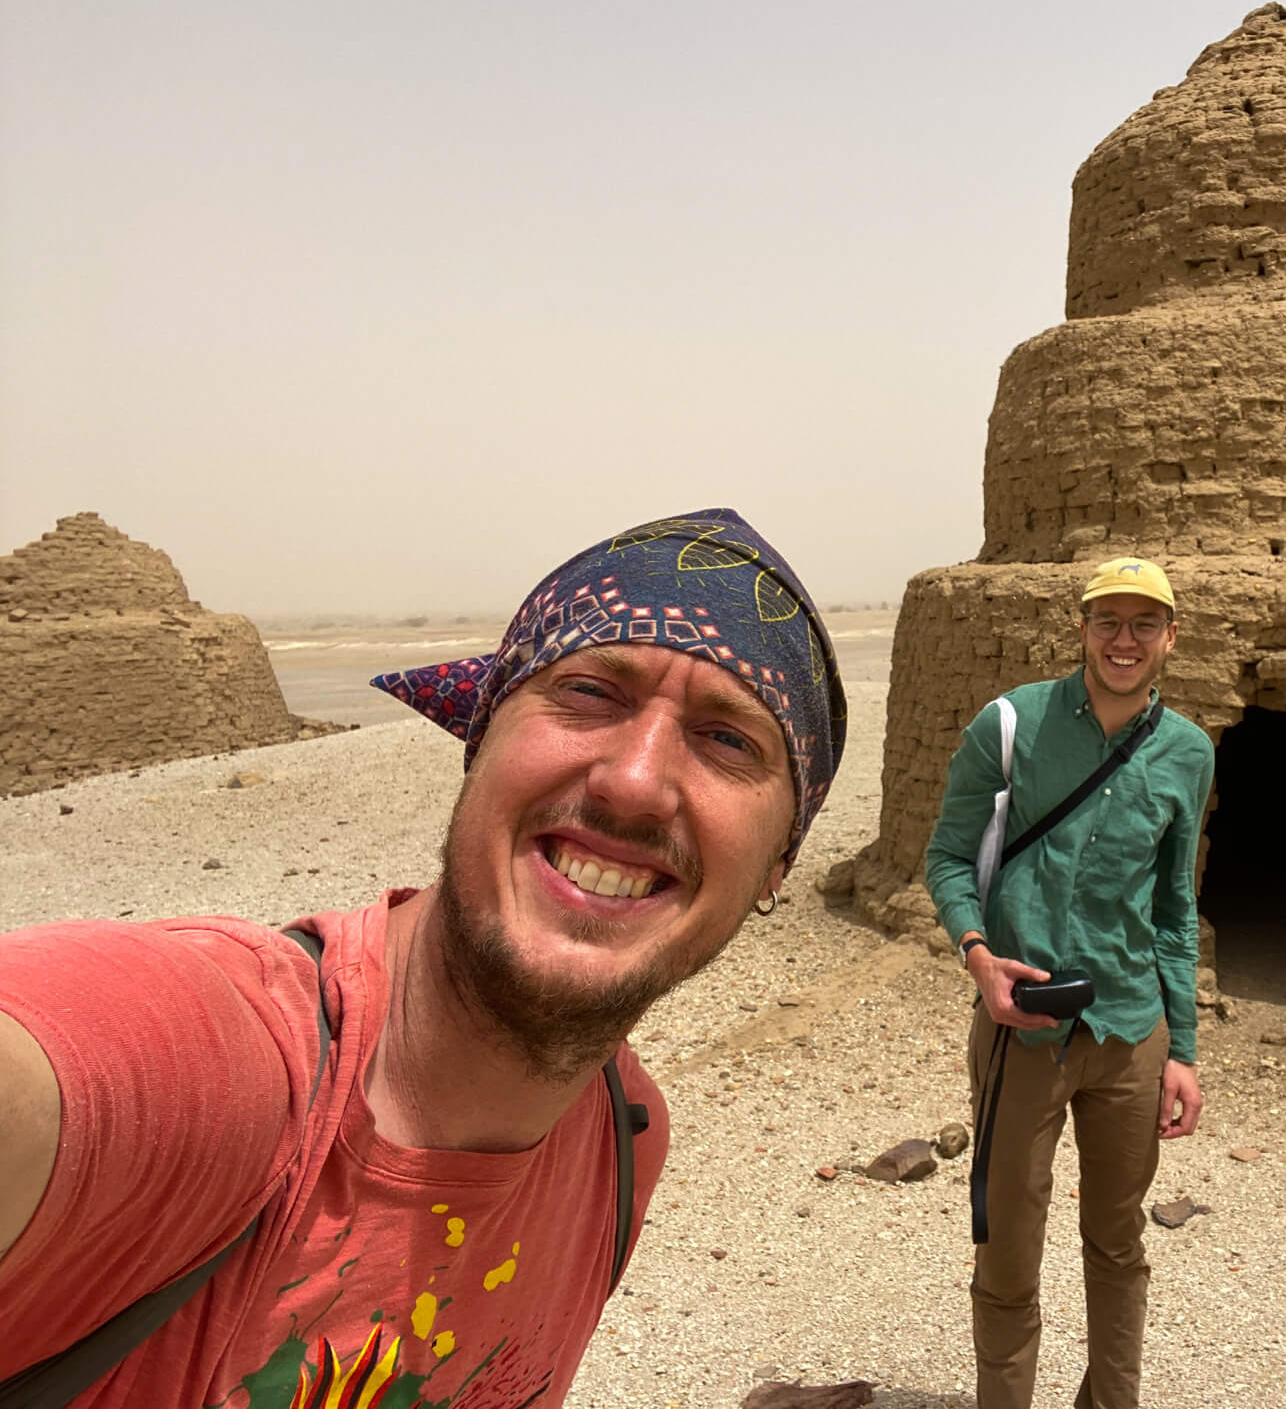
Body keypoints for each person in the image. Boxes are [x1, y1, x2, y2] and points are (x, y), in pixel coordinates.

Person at [0, 511, 846, 1409]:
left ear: (776, 865)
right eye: (592, 693)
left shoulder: (623, 1137)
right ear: (481, 744)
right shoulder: (206, 1067)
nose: (632, 781)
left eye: (728, 739)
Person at [925, 556, 1214, 1409]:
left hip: (1131, 1031)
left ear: (1170, 637)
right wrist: (979, 956)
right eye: (1107, 622)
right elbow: (945, 857)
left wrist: (1184, 1051)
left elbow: (1174, 903)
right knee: (1008, 1250)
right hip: (1025, 1030)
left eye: (1142, 625)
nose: (1123, 641)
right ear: (1082, 629)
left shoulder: (1188, 751)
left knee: (1117, 1244)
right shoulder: (1013, 723)